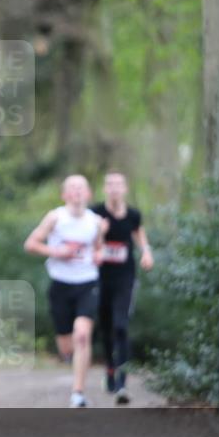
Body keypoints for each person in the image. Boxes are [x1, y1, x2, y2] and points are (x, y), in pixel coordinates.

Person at [24, 175, 106, 408]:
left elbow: (99, 249)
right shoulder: (55, 217)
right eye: (72, 188)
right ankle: (70, 357)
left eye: (81, 188)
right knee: (66, 345)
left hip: (87, 283)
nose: (77, 192)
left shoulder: (97, 222)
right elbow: (30, 244)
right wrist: (57, 252)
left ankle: (78, 393)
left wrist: (99, 255)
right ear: (65, 195)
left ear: (89, 194)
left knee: (82, 334)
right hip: (60, 285)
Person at [91, 172, 153, 405]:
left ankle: (122, 383)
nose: (114, 189)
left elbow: (140, 238)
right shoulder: (96, 213)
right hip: (99, 277)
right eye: (110, 185)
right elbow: (89, 243)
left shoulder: (133, 215)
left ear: (125, 189)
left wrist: (147, 252)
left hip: (125, 278)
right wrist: (100, 232)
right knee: (106, 327)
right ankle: (109, 366)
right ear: (105, 189)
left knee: (121, 325)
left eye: (118, 185)